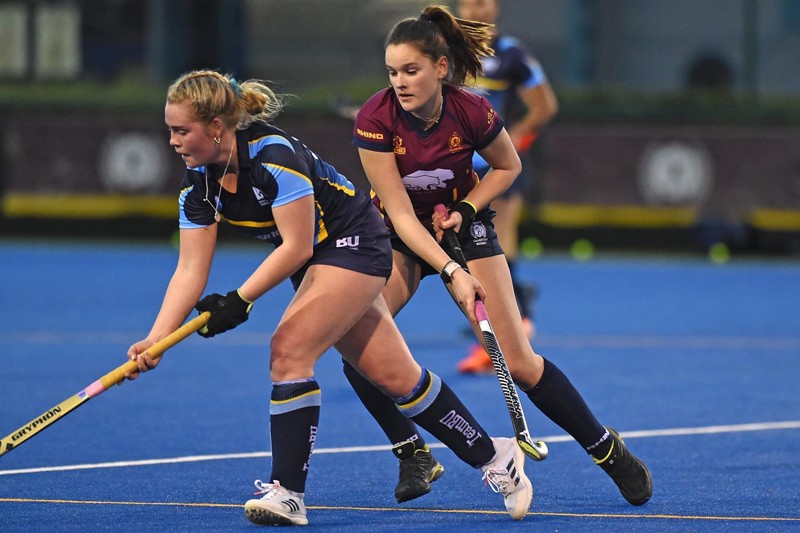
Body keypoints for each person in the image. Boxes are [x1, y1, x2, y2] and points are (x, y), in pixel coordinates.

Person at [124, 69, 533, 527]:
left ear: (217, 126)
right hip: (318, 262)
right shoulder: (196, 185)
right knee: (395, 376)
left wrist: (239, 299)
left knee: (289, 350)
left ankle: (288, 492)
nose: (173, 141)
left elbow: (297, 246)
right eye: (170, 131)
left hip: (356, 241)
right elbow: (189, 270)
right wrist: (155, 340)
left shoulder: (272, 156)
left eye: (182, 130)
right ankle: (495, 456)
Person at [346, 4, 652, 508]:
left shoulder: (471, 110)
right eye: (392, 72)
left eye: (411, 70)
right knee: (358, 341)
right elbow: (400, 218)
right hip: (402, 237)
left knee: (521, 365)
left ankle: (607, 449)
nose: (399, 82)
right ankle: (411, 452)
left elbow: (506, 167)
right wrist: (447, 268)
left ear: (440, 68)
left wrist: (466, 209)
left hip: (465, 230)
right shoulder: (374, 118)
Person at [455, 0, 559, 374]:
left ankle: (513, 324)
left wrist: (512, 138)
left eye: (483, 2)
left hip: (499, 168)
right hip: (455, 170)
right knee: (466, 256)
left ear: (495, 8)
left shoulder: (512, 54)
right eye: (469, 2)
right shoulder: (443, 50)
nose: (476, 9)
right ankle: (509, 318)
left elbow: (544, 106)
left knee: (497, 245)